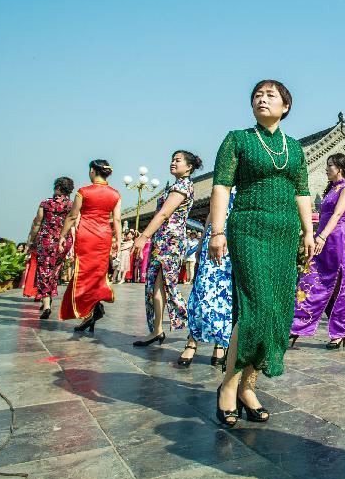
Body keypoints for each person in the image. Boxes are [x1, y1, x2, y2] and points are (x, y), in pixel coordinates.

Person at [209, 79, 313, 428]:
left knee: (276, 311)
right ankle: (228, 385)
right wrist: (218, 231)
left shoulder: (295, 148)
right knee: (255, 307)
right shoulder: (237, 139)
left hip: (285, 232)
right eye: (257, 95)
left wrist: (309, 232)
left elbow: (302, 191)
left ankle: (248, 387)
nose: (261, 99)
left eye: (270, 95)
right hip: (248, 228)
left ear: (286, 106)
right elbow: (221, 185)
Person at [132, 151, 201, 346]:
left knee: (166, 286)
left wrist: (144, 236)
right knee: (157, 285)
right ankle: (157, 330)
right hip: (163, 240)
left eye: (178, 160)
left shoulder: (182, 187)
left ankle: (193, 329)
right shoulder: (175, 186)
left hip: (169, 242)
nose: (173, 163)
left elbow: (163, 214)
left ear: (189, 167)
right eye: (172, 160)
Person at [290, 153, 345, 349]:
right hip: (322, 237)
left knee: (336, 287)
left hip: (336, 239)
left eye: (330, 166)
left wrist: (322, 237)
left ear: (339, 168)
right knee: (309, 280)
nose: (326, 169)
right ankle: (297, 325)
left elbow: (337, 215)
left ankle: (338, 332)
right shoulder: (331, 189)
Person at [58, 160, 122, 332]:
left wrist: (62, 235)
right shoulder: (115, 194)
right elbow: (116, 219)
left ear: (93, 171)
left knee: (83, 274)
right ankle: (94, 309)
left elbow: (72, 216)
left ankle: (90, 311)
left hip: (87, 236)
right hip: (104, 237)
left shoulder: (83, 191)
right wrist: (119, 240)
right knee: (97, 274)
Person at [181, 189, 236, 367]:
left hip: (236, 240)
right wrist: (202, 240)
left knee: (226, 295)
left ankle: (220, 342)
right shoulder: (223, 183)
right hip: (214, 239)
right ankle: (192, 340)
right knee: (201, 290)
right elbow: (213, 212)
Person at [24, 176, 75, 319]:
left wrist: (30, 240)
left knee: (44, 270)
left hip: (46, 240)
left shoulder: (46, 203)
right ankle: (48, 297)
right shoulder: (72, 205)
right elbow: (74, 223)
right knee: (55, 270)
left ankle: (46, 304)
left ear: (57, 187)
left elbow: (37, 223)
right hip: (64, 242)